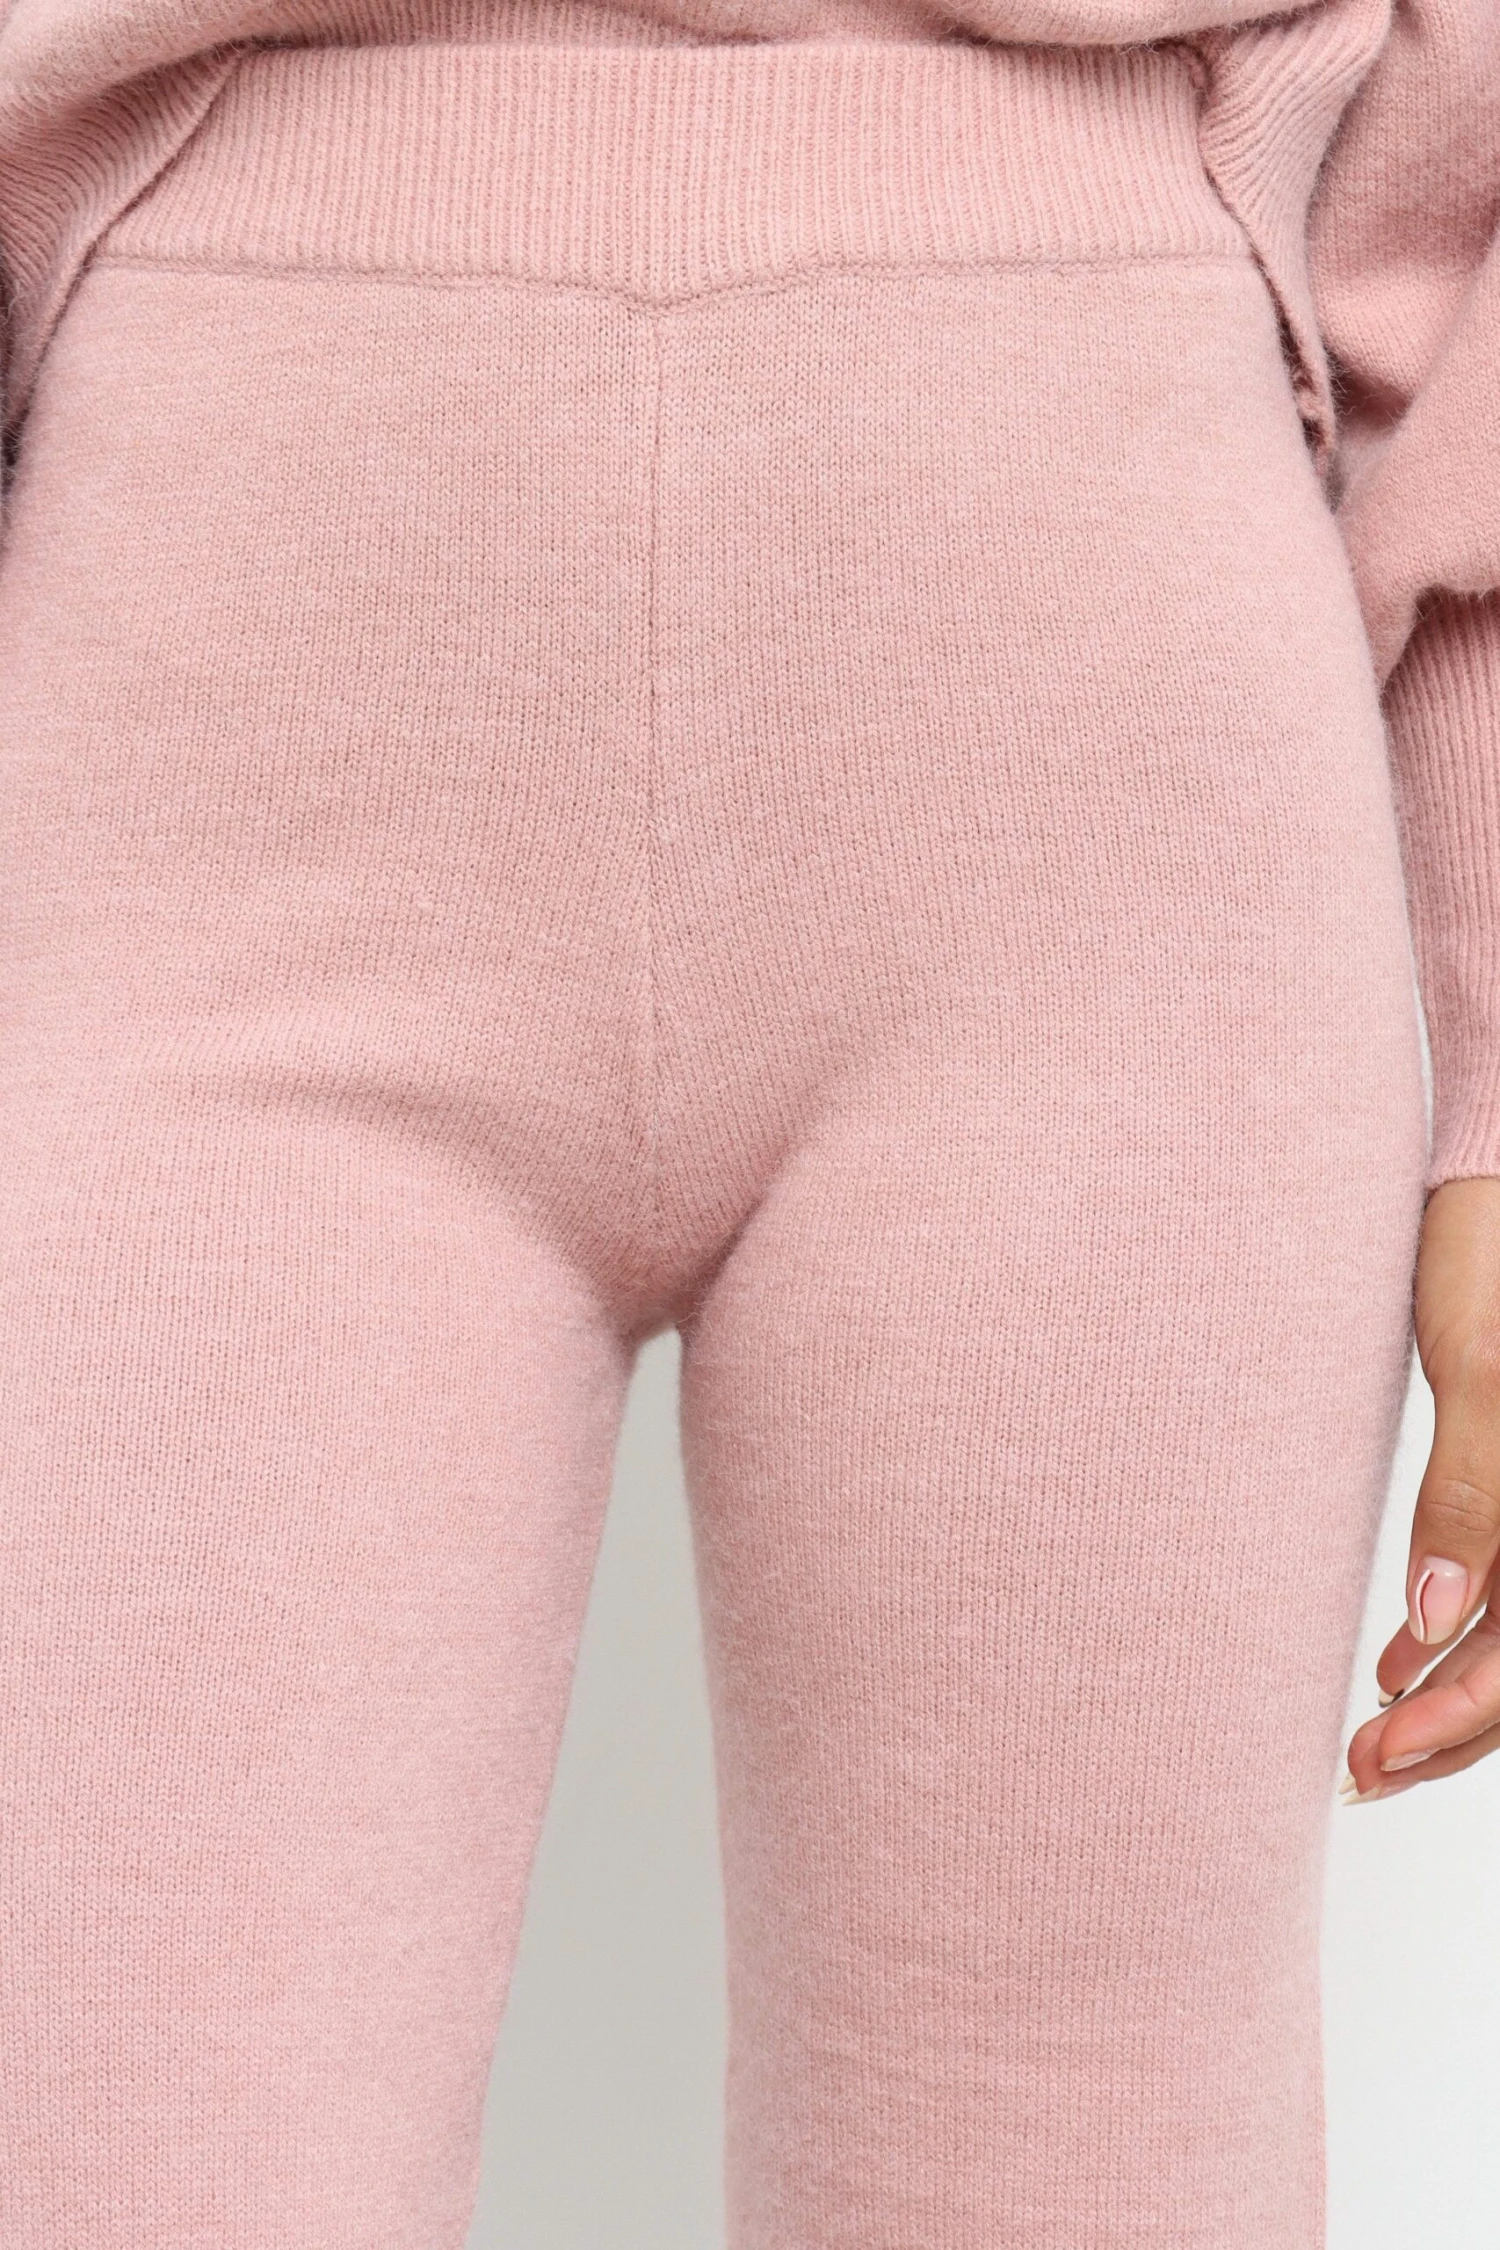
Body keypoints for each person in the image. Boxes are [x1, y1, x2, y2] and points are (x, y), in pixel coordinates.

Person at [0, 0, 1493, 2243]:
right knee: (115, 2137)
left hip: (1099, 737)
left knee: (1081, 2171)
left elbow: (1461, 229)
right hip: (193, 685)